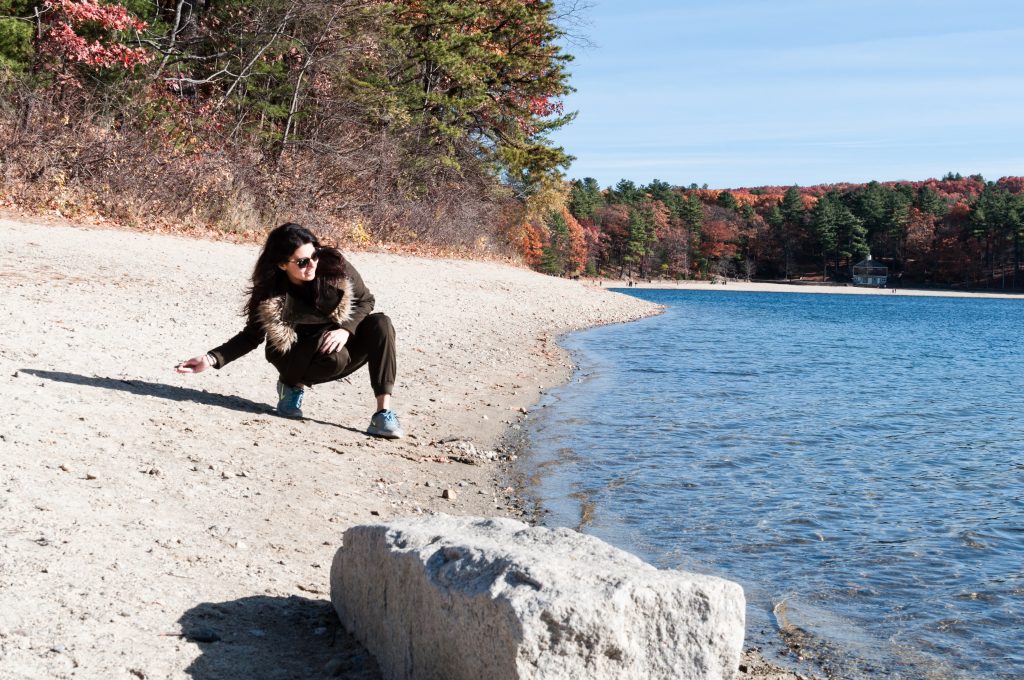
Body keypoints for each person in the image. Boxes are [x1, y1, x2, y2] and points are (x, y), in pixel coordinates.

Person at [175, 223, 403, 439]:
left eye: (314, 255)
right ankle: (291, 385)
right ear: (282, 264)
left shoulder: (334, 266)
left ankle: (383, 415)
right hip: (294, 355)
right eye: (303, 262)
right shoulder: (268, 292)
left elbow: (366, 301)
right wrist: (211, 358)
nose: (312, 264)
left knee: (381, 323)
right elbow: (251, 336)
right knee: (335, 357)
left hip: (335, 340)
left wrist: (346, 329)